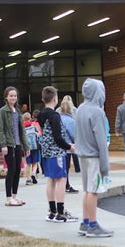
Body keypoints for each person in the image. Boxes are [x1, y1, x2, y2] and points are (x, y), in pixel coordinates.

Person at [75, 78, 113, 238]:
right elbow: (101, 141)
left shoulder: (80, 109)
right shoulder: (97, 111)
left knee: (87, 191)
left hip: (82, 155)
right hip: (94, 157)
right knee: (94, 191)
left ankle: (85, 223)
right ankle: (93, 225)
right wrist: (105, 166)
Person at [39, 86, 77, 222]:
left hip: (46, 152)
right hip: (57, 152)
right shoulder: (54, 115)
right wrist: (69, 147)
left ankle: (52, 211)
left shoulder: (40, 114)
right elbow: (58, 137)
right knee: (61, 180)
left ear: (43, 99)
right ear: (55, 99)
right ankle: (60, 213)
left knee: (50, 180)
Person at [0, 86, 30, 207]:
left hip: (17, 145)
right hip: (9, 145)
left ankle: (15, 196)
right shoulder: (2, 111)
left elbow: (22, 131)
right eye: (11, 95)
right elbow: (0, 130)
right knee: (11, 170)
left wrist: (26, 146)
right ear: (6, 97)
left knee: (17, 170)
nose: (13, 97)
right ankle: (8, 198)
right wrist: (3, 145)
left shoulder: (18, 111)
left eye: (15, 95)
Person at [59, 97, 80, 194]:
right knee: (66, 168)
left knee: (62, 168)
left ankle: (64, 185)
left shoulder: (58, 118)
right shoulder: (69, 120)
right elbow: (74, 135)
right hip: (67, 147)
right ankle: (66, 186)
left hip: (59, 147)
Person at [23, 112, 41, 186]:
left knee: (28, 163)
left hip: (27, 147)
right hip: (35, 146)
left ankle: (28, 179)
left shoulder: (22, 126)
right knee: (35, 162)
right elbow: (39, 133)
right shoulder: (34, 124)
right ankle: (33, 174)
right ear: (30, 117)